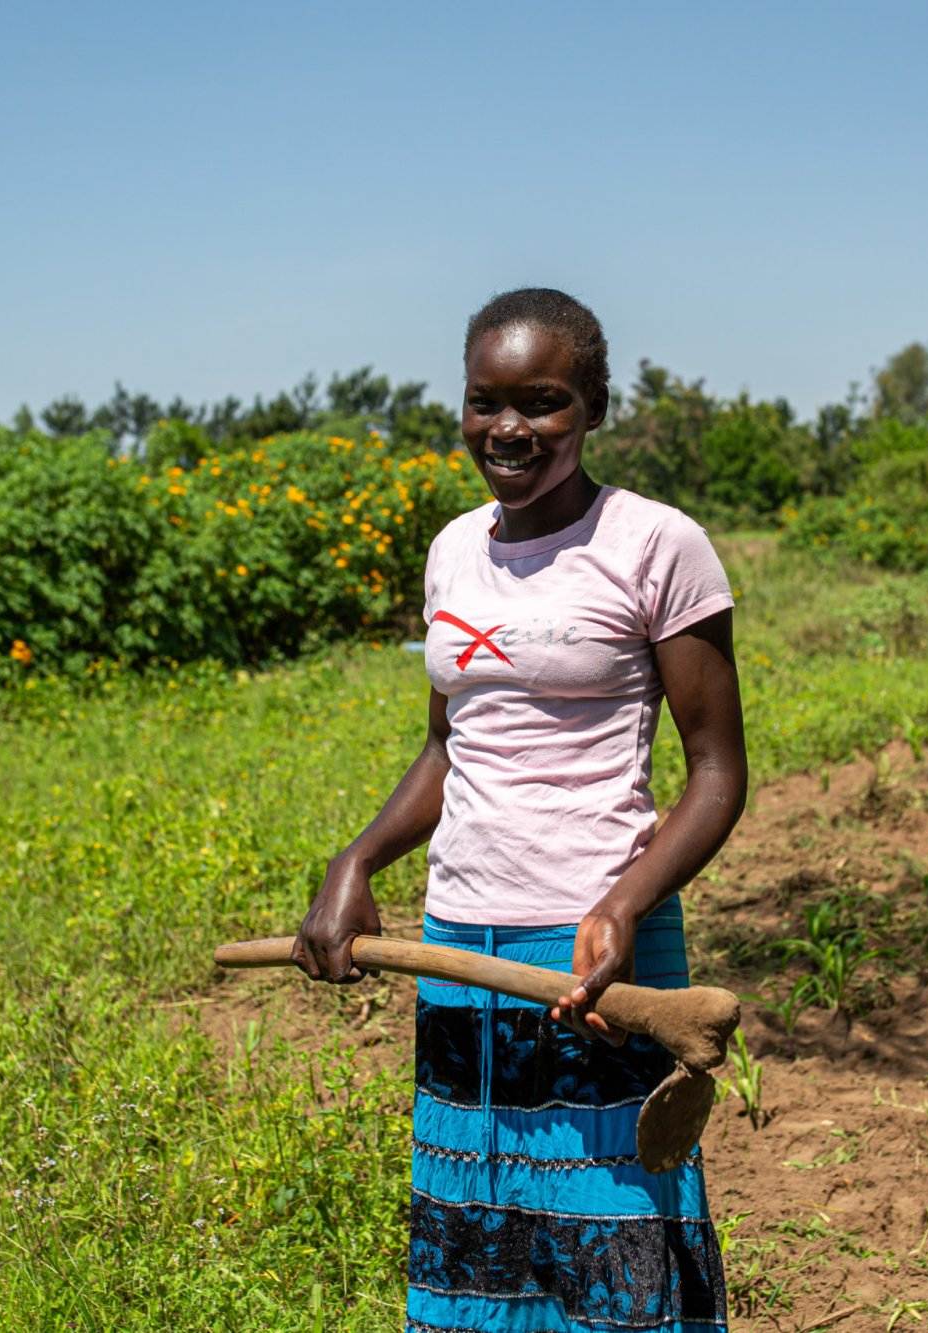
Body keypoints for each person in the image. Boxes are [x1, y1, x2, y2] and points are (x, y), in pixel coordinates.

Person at [293, 287, 745, 1333]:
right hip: (463, 941)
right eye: (483, 403)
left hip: (596, 950)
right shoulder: (453, 550)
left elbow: (715, 773)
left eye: (539, 403)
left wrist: (624, 904)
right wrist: (356, 860)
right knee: (479, 1243)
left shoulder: (655, 545)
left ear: (588, 405)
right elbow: (447, 745)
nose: (507, 430)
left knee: (613, 1237)